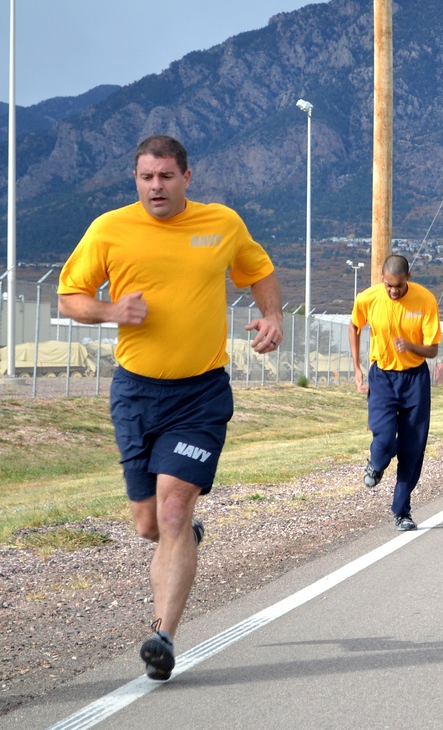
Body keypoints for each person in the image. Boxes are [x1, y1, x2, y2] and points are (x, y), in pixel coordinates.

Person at [57, 135, 283, 681]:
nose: (154, 186)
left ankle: (163, 636)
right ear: (135, 180)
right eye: (145, 177)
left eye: (164, 176)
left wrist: (272, 316)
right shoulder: (110, 229)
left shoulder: (221, 223)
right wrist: (112, 310)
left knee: (175, 512)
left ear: (187, 176)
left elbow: (258, 271)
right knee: (148, 523)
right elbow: (68, 297)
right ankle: (181, 540)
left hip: (200, 394)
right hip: (135, 392)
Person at [349, 255, 441, 532]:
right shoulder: (369, 298)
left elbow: (433, 349)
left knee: (412, 450)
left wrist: (411, 346)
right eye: (388, 285)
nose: (392, 291)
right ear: (382, 277)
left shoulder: (425, 300)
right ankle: (376, 464)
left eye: (398, 286)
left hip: (414, 380)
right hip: (382, 377)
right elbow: (354, 326)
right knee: (385, 438)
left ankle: (402, 511)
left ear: (407, 278)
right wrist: (356, 367)